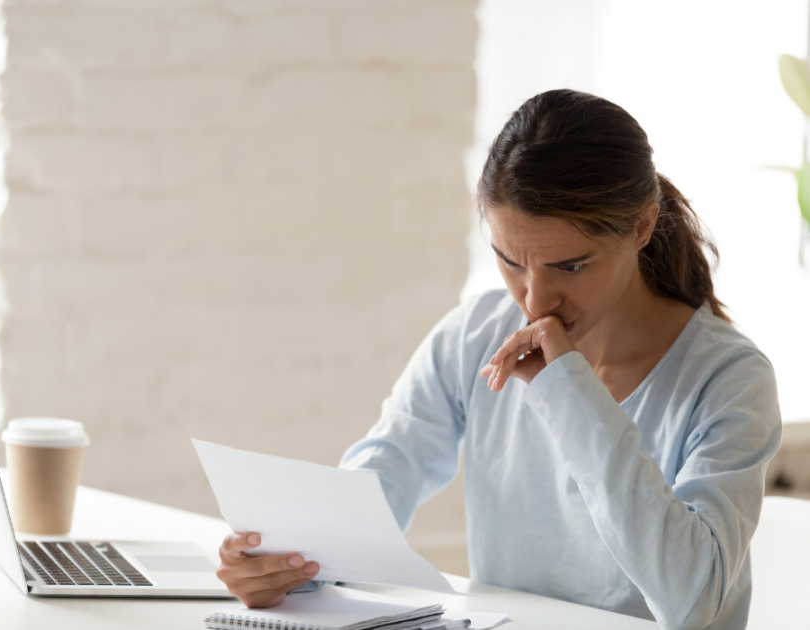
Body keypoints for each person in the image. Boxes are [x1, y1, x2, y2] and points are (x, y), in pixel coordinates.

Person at [215, 90, 782, 630]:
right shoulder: (475, 334)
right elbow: (379, 481)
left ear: (641, 226)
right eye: (510, 261)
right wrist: (289, 569)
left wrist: (567, 390)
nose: (534, 301)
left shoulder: (729, 379)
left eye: (570, 266)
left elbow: (690, 601)